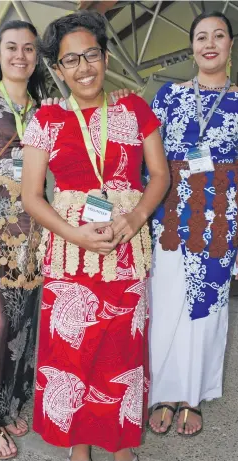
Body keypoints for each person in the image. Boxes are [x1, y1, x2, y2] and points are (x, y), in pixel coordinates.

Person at [21, 11, 169, 461]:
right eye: (71, 60)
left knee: (121, 352)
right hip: (72, 253)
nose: (83, 68)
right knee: (73, 354)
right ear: (58, 68)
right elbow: (32, 196)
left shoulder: (134, 108)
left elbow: (160, 175)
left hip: (127, 248)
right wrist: (77, 237)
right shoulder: (45, 119)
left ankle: (120, 443)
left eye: (91, 55)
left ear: (104, 58)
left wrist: (138, 215)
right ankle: (78, 447)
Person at [146, 11, 238, 437]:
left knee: (206, 309)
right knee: (165, 303)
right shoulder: (168, 96)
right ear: (192, 47)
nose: (210, 43)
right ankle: (163, 390)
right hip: (168, 214)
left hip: (220, 217)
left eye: (219, 35)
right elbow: (147, 159)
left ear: (230, 45)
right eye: (202, 36)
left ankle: (192, 396)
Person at [0, 20, 48, 460]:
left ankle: (8, 406)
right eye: (11, 47)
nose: (20, 55)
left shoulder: (45, 111)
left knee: (22, 325)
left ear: (37, 57)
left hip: (30, 231)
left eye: (28, 49)